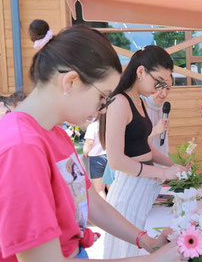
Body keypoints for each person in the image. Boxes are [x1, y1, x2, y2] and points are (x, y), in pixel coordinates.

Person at [0, 19, 183, 261]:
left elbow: (89, 199)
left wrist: (146, 242)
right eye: (103, 97)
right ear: (71, 82)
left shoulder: (56, 134)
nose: (103, 109)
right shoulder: (21, 148)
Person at [101, 45, 187, 258]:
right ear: (140, 72)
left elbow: (144, 147)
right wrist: (162, 173)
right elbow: (116, 160)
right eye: (158, 81)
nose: (160, 89)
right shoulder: (120, 102)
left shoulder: (139, 102)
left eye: (165, 85)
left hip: (144, 188)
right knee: (129, 253)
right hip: (129, 190)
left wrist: (172, 165)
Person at [143, 75, 173, 156]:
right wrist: (155, 131)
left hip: (162, 162)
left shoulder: (164, 107)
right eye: (162, 87)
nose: (164, 93)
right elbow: (134, 144)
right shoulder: (140, 106)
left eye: (168, 88)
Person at [83, 120, 109, 199]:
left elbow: (89, 142)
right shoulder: (110, 123)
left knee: (100, 189)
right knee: (111, 188)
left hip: (97, 159)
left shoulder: (93, 126)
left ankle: (104, 210)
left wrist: (85, 153)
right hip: (109, 157)